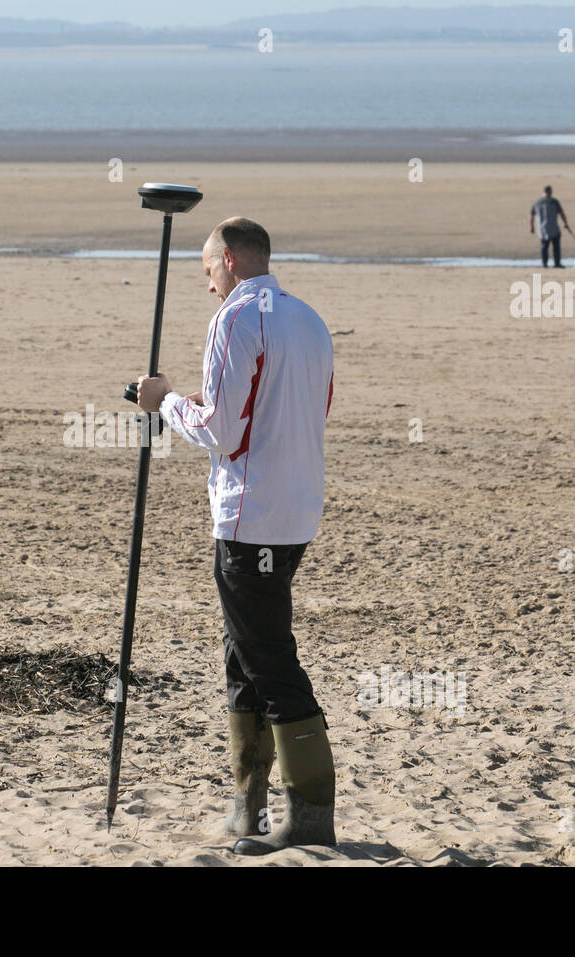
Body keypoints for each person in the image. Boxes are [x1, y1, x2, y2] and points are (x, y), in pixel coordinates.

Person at [136, 217, 337, 855]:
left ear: (227, 259)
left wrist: (165, 402)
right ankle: (247, 803)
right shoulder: (307, 318)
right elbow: (298, 407)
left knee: (268, 657)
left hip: (251, 517)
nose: (208, 287)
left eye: (207, 274)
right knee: (243, 653)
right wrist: (204, 404)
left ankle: (309, 815)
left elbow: (222, 432)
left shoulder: (236, 317)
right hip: (296, 510)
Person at [530, 185, 570, 268]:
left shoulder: (537, 202)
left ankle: (544, 263)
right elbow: (561, 213)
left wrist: (532, 227)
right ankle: (557, 263)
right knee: (556, 247)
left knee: (544, 246)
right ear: (550, 191)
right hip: (554, 228)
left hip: (542, 229)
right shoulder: (554, 201)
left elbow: (531, 216)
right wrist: (565, 223)